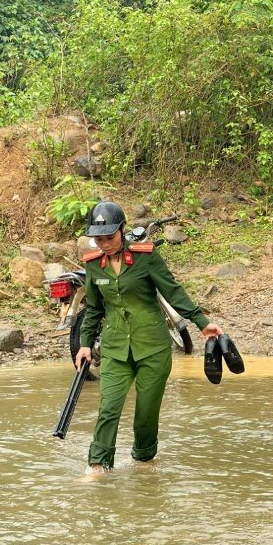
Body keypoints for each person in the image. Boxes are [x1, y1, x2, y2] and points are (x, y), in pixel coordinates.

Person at [75, 201, 222, 478]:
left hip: (152, 347)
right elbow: (94, 309)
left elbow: (173, 291)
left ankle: (143, 462)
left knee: (145, 414)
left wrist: (203, 323)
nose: (104, 244)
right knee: (108, 408)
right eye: (99, 239)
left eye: (110, 237)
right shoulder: (94, 266)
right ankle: (97, 466)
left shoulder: (146, 257)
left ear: (122, 230)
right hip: (116, 348)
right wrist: (85, 344)